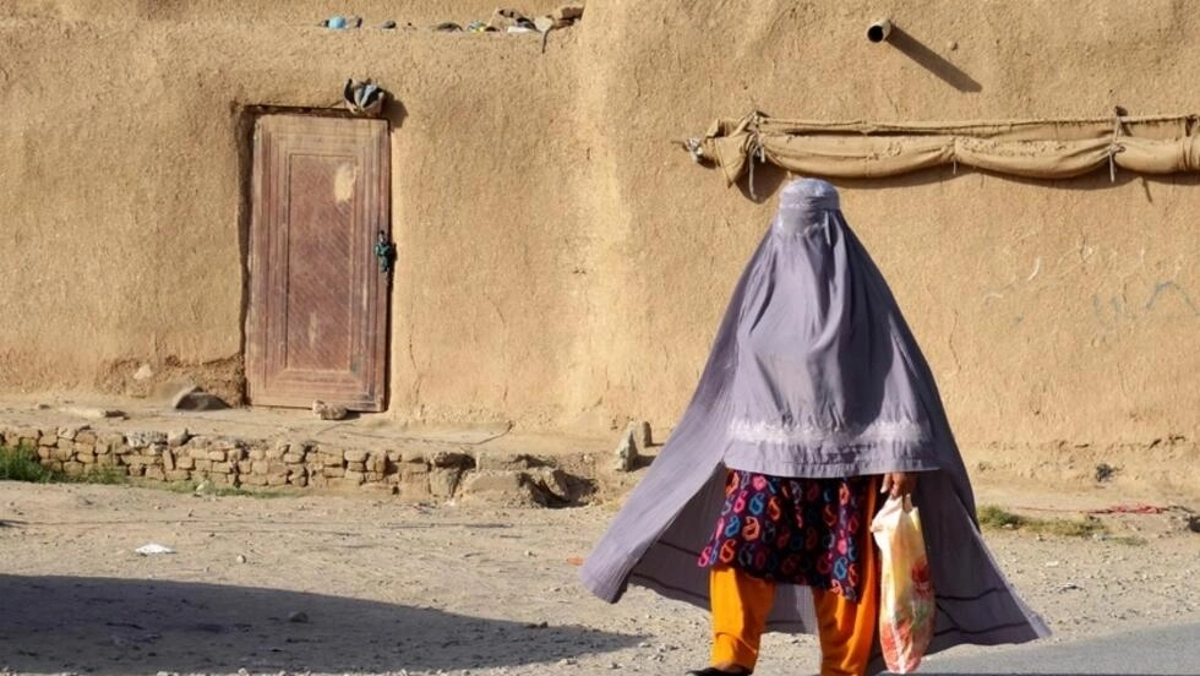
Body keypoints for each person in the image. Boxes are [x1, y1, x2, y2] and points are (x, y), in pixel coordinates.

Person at [579, 178, 1049, 676]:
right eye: (790, 222)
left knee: (842, 574)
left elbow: (898, 373)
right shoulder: (760, 290)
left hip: (846, 461)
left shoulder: (864, 299)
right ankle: (730, 660)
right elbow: (729, 372)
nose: (799, 236)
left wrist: (901, 458)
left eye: (812, 225)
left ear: (833, 228)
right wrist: (725, 440)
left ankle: (841, 669)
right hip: (765, 457)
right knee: (739, 548)